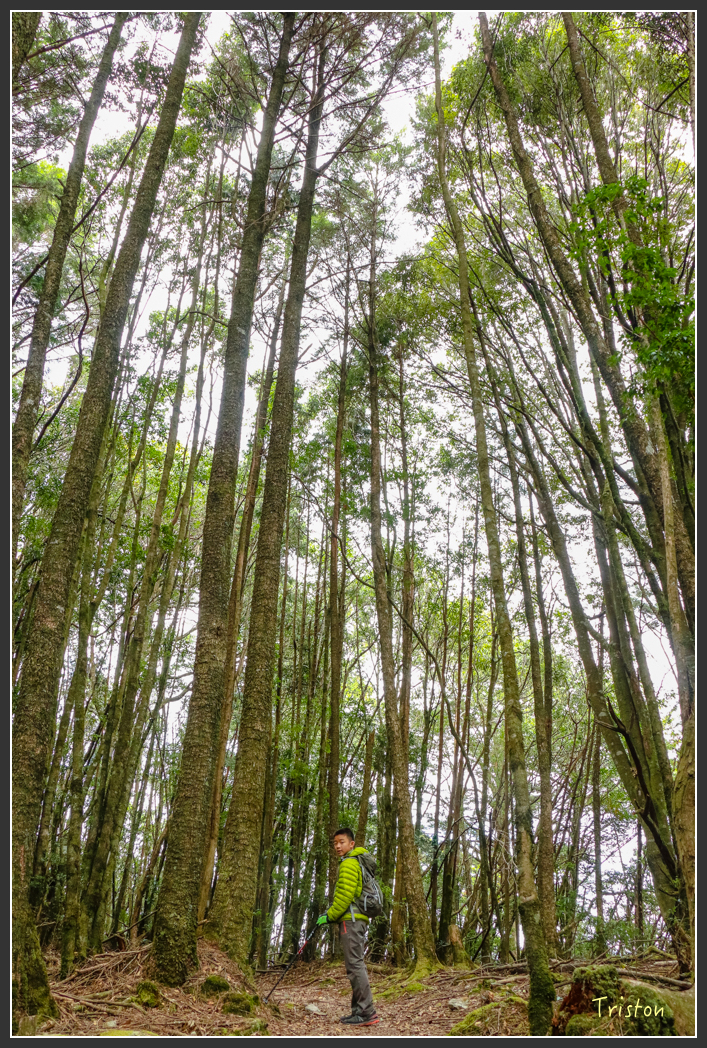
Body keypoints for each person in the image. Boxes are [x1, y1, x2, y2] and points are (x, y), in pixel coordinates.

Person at [317, 827, 379, 1027]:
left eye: (341, 842)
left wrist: (330, 916)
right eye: (335, 843)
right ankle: (359, 1011)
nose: (337, 846)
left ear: (351, 844)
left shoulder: (349, 863)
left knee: (355, 965)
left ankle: (366, 1013)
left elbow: (344, 897)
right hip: (356, 919)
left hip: (351, 920)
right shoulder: (354, 862)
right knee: (355, 964)